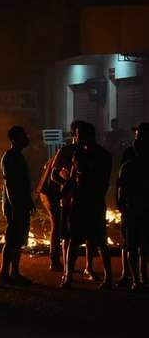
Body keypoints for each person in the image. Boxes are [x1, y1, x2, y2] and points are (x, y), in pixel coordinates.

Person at [60, 122, 113, 289]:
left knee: (100, 242)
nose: (75, 137)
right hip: (82, 202)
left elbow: (102, 181)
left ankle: (108, 278)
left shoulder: (102, 156)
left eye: (77, 134)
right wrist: (64, 191)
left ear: (86, 136)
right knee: (75, 240)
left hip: (93, 202)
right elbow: (73, 178)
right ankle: (68, 276)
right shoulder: (78, 154)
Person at [50, 120, 96, 280]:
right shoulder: (65, 151)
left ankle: (88, 267)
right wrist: (67, 184)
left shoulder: (91, 152)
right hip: (69, 200)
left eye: (84, 134)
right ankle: (67, 271)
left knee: (90, 235)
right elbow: (53, 174)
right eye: (78, 134)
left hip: (86, 200)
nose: (81, 137)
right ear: (74, 135)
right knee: (67, 236)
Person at [0, 126, 34, 285]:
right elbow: (10, 183)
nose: (25, 139)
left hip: (19, 203)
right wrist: (15, 206)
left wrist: (28, 201)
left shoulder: (16, 156)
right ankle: (5, 273)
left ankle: (13, 273)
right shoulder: (10, 157)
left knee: (17, 239)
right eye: (22, 136)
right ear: (14, 139)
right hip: (15, 204)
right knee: (12, 239)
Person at [116, 122, 149, 291]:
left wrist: (121, 204)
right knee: (135, 245)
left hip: (135, 207)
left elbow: (120, 185)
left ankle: (138, 278)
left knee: (135, 245)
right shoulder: (129, 157)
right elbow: (120, 185)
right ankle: (134, 277)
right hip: (135, 207)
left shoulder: (130, 159)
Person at [36, 155, 63, 272]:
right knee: (57, 224)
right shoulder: (68, 152)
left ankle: (58, 259)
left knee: (58, 224)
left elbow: (46, 165)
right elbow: (54, 175)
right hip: (50, 192)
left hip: (51, 191)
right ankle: (54, 261)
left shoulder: (63, 152)